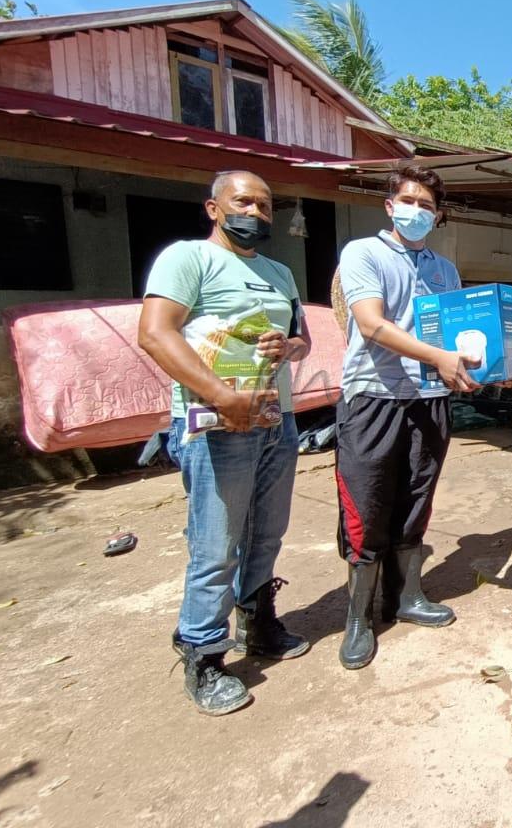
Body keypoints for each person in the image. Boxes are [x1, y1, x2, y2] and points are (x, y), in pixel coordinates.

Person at [138, 170, 310, 716]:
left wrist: (289, 347)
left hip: (275, 419)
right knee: (217, 545)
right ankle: (203, 652)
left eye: (265, 206)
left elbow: (302, 340)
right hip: (216, 423)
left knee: (266, 533)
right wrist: (221, 396)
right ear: (214, 208)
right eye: (243, 202)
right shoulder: (188, 258)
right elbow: (155, 332)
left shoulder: (280, 272)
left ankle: (258, 620)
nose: (255, 213)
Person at [334, 164, 478, 670]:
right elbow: (371, 324)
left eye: (427, 205)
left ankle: (406, 596)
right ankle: (358, 616)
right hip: (374, 398)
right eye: (409, 201)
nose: (417, 211)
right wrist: (439, 357)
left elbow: (455, 335)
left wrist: (474, 364)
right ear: (390, 205)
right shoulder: (364, 253)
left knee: (417, 498)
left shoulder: (444, 269)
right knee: (367, 506)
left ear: (437, 216)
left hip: (430, 398)